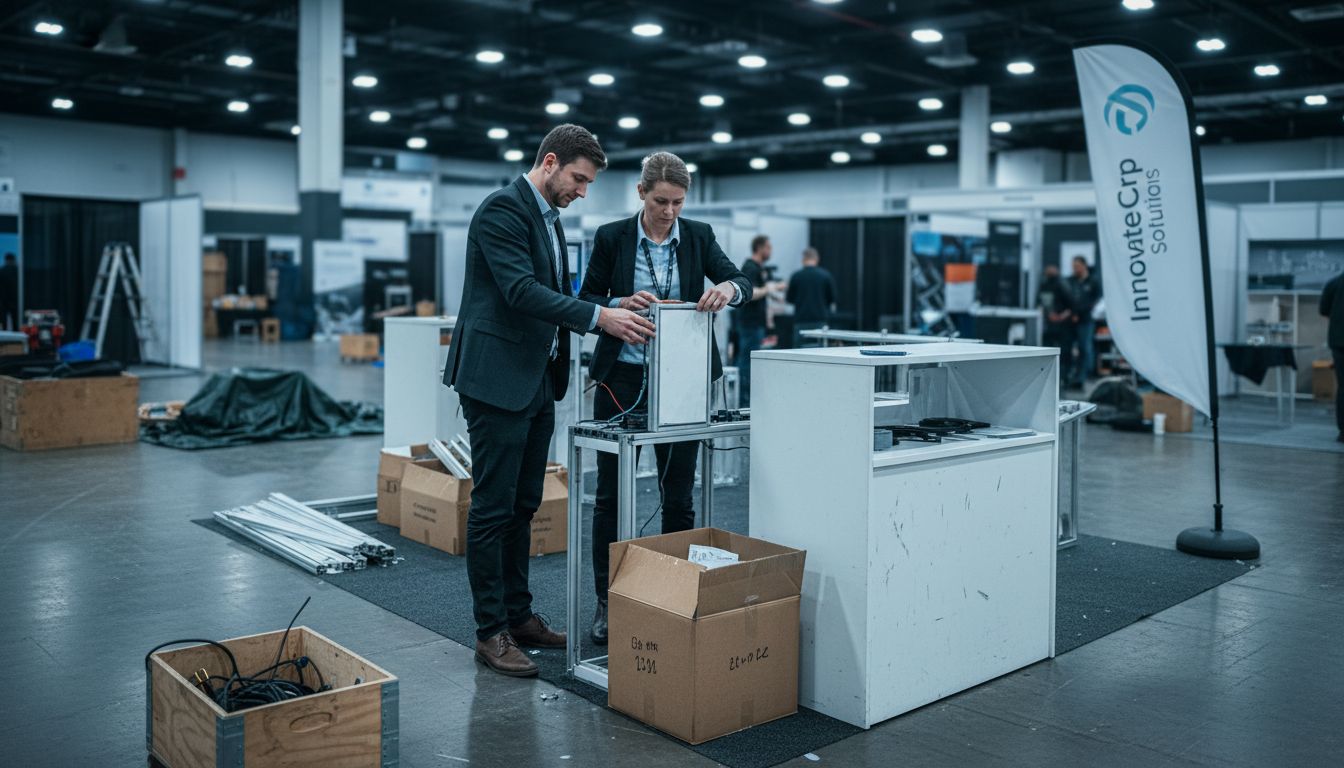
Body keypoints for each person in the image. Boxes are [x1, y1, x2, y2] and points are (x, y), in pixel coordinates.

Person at [442, 124, 654, 678]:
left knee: (523, 504)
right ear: (551, 161)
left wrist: (610, 301)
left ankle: (519, 616)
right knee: (492, 508)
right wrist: (598, 318)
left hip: (537, 380)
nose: (583, 191)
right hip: (495, 380)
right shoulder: (502, 212)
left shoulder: (549, 220)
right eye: (579, 179)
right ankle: (491, 632)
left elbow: (559, 294)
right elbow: (519, 292)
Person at [578, 151, 751, 645]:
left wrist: (728, 292)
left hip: (683, 385)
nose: (669, 211)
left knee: (679, 498)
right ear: (640, 194)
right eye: (660, 201)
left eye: (678, 202)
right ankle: (607, 601)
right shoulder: (612, 237)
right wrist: (616, 303)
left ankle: (679, 591)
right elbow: (585, 297)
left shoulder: (698, 236)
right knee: (610, 498)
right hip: (621, 383)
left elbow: (742, 280)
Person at [735, 235, 783, 405]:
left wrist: (772, 290)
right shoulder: (750, 267)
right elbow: (751, 293)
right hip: (750, 324)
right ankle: (744, 403)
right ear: (760, 248)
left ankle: (747, 401)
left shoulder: (757, 268)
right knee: (747, 363)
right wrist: (770, 288)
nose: (770, 251)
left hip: (755, 324)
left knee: (750, 362)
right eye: (768, 248)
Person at [786, 247, 836, 346]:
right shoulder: (826, 276)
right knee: (819, 356)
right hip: (820, 322)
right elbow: (832, 299)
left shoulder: (796, 276)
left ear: (803, 259)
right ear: (817, 259)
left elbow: (789, 299)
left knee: (798, 357)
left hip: (801, 322)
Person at [1063, 256, 1101, 388]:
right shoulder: (1069, 281)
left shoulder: (1093, 282)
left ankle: (1081, 378)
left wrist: (1079, 313)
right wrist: (1071, 313)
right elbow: (1065, 299)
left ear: (1084, 265)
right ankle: (1065, 376)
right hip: (1069, 320)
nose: (1075, 269)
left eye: (1077, 266)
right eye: (1073, 266)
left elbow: (1094, 301)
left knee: (1084, 348)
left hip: (1085, 320)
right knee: (1066, 348)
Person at [1320, 270, 1344, 442]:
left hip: (1338, 341)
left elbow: (1323, 311)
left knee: (1343, 387)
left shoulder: (1333, 283)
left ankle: (1343, 431)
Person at [1037, 264, 1073, 361]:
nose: (1049, 271)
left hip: (1063, 322)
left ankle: (1064, 372)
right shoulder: (1044, 284)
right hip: (1049, 322)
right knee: (1048, 348)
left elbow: (1072, 304)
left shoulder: (1063, 284)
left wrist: (1061, 316)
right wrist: (1049, 314)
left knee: (1064, 349)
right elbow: (1041, 301)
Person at [0, 253, 17, 331]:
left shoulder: (2, 271)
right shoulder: (17, 271)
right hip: (15, 299)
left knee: (4, 321)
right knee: (15, 320)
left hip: (3, 299)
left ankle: (5, 335)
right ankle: (16, 334)